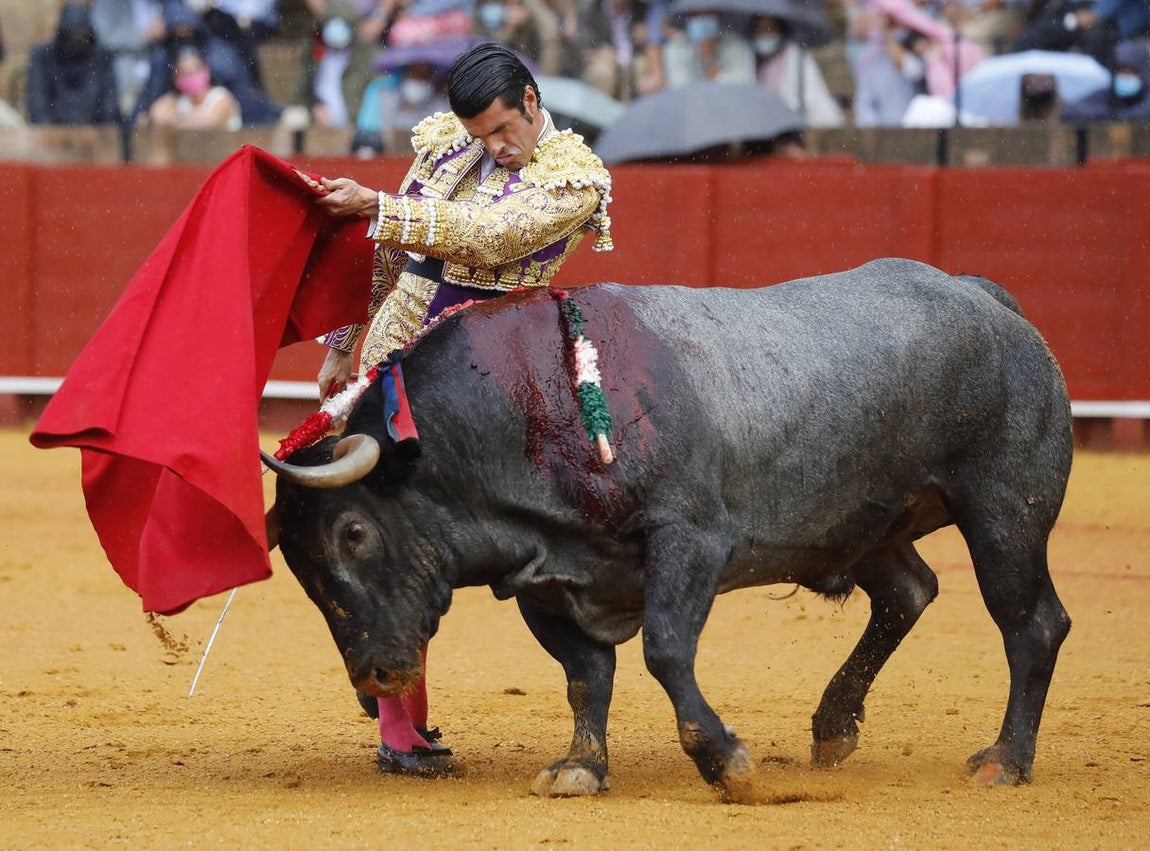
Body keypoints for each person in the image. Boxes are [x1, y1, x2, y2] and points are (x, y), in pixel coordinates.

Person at [297, 42, 614, 777]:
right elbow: (390, 256)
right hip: (396, 354)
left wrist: (381, 205)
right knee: (386, 531)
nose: (495, 147)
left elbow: (492, 235)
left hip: (486, 384)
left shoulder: (574, 176)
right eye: (479, 136)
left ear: (532, 103)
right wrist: (346, 343)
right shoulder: (449, 150)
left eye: (504, 130)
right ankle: (400, 721)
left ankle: (401, 702)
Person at [26, 2, 121, 126]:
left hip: (95, 135)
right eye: (72, 35)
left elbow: (109, 110)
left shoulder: (102, 59)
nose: (78, 40)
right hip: (52, 136)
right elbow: (38, 107)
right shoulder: (43, 58)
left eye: (82, 36)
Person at [752, 14, 844, 127]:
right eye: (760, 29)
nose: (764, 34)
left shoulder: (797, 59)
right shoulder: (754, 62)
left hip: (808, 126)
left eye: (769, 29)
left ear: (780, 30)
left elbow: (802, 102)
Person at [146, 45, 243, 129]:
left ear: (206, 70)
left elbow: (209, 123)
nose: (189, 76)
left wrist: (175, 121)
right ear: (176, 79)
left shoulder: (221, 96)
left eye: (193, 71)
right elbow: (156, 115)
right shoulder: (183, 101)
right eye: (183, 73)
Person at [1062, 40, 1150, 120]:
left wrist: (1114, 116)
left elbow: (1143, 113)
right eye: (1119, 71)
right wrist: (1111, 114)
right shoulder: (1111, 93)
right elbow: (1070, 110)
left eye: (1129, 72)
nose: (1123, 76)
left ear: (1142, 72)